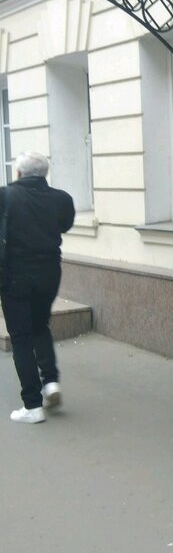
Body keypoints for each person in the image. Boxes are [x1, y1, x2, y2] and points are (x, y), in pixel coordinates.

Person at [1, 151, 75, 423]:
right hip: (49, 273)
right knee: (40, 325)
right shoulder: (62, 198)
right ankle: (51, 382)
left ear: (19, 173)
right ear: (44, 173)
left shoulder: (6, 195)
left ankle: (33, 406)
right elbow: (65, 225)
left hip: (15, 276)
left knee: (20, 337)